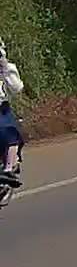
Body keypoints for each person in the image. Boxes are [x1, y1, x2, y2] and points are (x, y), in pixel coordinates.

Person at [0, 42, 25, 187]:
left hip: (2, 110)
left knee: (11, 134)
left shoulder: (8, 69)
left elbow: (16, 88)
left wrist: (5, 70)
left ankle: (8, 170)